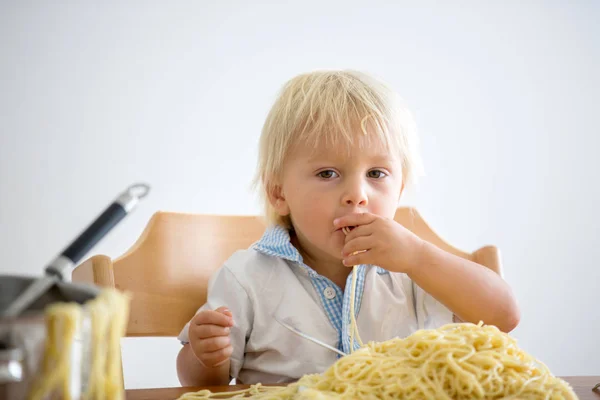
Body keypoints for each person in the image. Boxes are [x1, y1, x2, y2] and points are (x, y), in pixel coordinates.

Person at [176, 69, 520, 387]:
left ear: (399, 190)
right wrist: (205, 355)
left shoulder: (416, 270)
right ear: (279, 193)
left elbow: (504, 316)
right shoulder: (245, 278)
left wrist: (417, 258)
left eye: (376, 174)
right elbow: (201, 385)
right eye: (328, 173)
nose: (357, 195)